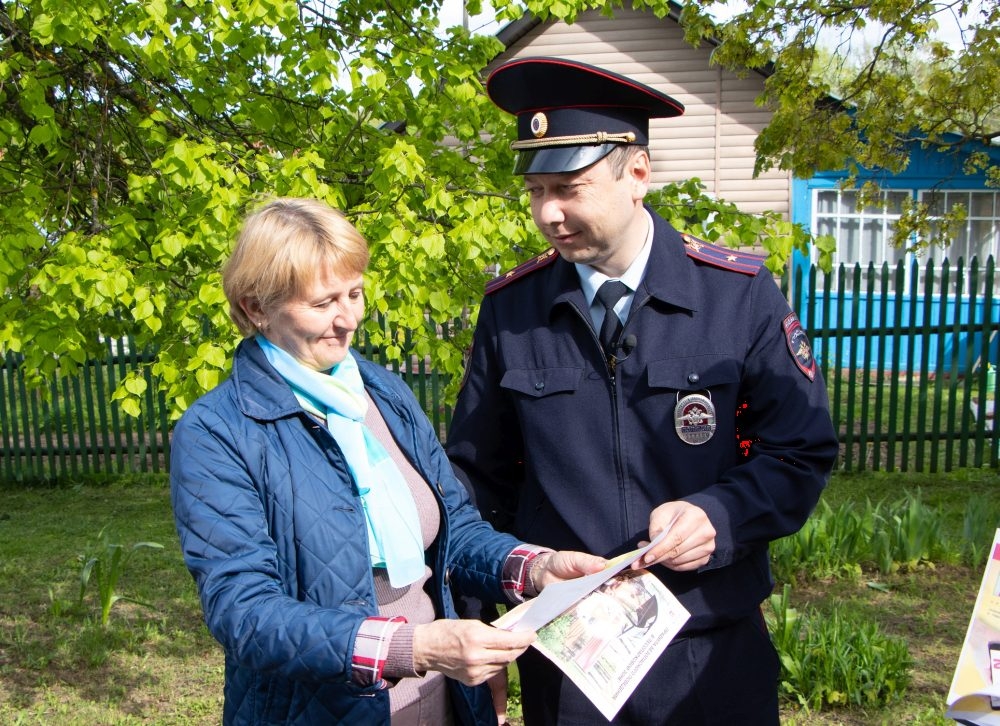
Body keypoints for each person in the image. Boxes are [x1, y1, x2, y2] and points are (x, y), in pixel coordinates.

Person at [446, 57, 840, 725]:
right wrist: (475, 626)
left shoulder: (735, 296)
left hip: (709, 657)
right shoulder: (511, 311)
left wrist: (721, 516)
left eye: (569, 187)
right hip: (567, 664)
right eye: (537, 190)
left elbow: (799, 451)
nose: (549, 213)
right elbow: (475, 484)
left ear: (637, 175)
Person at [169, 197, 606, 726]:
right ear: (256, 307)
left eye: (354, 293)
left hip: (443, 698)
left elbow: (455, 531)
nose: (348, 318)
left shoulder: (381, 391)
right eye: (323, 302)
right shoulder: (218, 431)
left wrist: (534, 568)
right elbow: (244, 613)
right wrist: (411, 649)